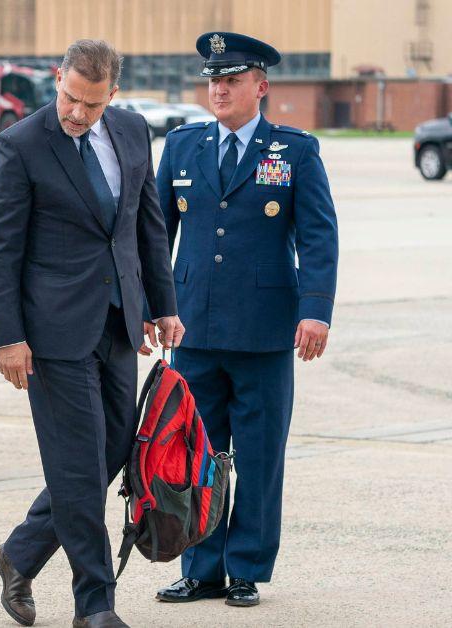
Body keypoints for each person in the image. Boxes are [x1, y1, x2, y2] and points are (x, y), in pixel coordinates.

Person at [0, 39, 184, 628]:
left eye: (90, 105)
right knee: (77, 468)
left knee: (113, 451)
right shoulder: (20, 145)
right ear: (58, 80)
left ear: (111, 96)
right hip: (50, 335)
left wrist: (162, 305)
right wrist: (7, 336)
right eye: (70, 98)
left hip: (119, 323)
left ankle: (18, 554)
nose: (76, 113)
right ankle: (95, 605)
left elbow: (146, 225)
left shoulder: (132, 131)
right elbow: (0, 249)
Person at [152, 32, 338, 608]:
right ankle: (200, 567)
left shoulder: (295, 150)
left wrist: (315, 312)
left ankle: (246, 568)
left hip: (263, 332)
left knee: (258, 458)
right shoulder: (182, 147)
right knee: (193, 454)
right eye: (213, 79)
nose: (219, 88)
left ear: (260, 87)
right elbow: (157, 237)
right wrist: (152, 309)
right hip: (195, 330)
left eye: (231, 79)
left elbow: (318, 235)